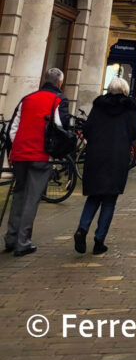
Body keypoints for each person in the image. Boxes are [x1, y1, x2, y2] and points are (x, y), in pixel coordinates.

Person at [4, 68, 70, 257]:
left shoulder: (27, 98)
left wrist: (14, 151)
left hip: (20, 154)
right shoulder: (58, 100)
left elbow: (12, 129)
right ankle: (22, 242)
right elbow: (60, 128)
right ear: (59, 83)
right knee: (32, 198)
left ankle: (10, 237)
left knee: (19, 194)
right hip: (41, 155)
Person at [73, 77, 136, 256]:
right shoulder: (131, 108)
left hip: (96, 154)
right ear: (125, 90)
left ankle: (82, 228)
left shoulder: (99, 106)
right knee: (110, 199)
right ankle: (99, 240)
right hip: (117, 156)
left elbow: (87, 129)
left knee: (94, 196)